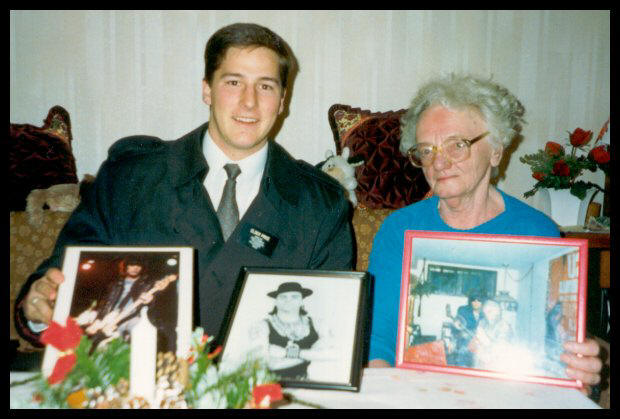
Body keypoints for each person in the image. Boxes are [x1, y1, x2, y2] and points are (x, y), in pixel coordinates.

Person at [15, 23, 354, 349]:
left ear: (282, 101)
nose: (249, 102)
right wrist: (41, 309)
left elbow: (328, 335)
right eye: (234, 82)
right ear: (206, 89)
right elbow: (62, 279)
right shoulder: (130, 180)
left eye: (266, 86)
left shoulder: (321, 205)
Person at [367, 74, 602, 396]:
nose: (439, 161)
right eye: (426, 150)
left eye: (457, 145)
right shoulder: (399, 229)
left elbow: (551, 348)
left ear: (495, 152)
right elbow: (377, 343)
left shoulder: (537, 233)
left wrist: (576, 369)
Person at [74, 256, 178, 352]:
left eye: (138, 265)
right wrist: (99, 319)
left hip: (131, 317)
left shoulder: (147, 284)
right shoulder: (114, 284)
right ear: (125, 267)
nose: (135, 268)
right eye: (132, 265)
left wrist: (149, 300)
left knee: (137, 328)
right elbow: (104, 304)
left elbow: (154, 302)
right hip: (110, 318)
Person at [248, 282, 333, 380]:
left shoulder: (317, 323)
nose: (288, 300)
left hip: (306, 384)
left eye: (294, 297)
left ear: (302, 301)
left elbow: (334, 354)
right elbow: (266, 363)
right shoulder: (261, 326)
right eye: (283, 297)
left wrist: (287, 353)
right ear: (276, 301)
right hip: (271, 384)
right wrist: (312, 355)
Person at [450, 291, 486, 367]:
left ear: (483, 302)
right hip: (465, 341)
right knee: (463, 350)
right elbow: (455, 329)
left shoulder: (486, 313)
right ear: (470, 301)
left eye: (479, 301)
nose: (476, 303)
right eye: (474, 300)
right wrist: (456, 329)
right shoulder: (463, 310)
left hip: (481, 343)